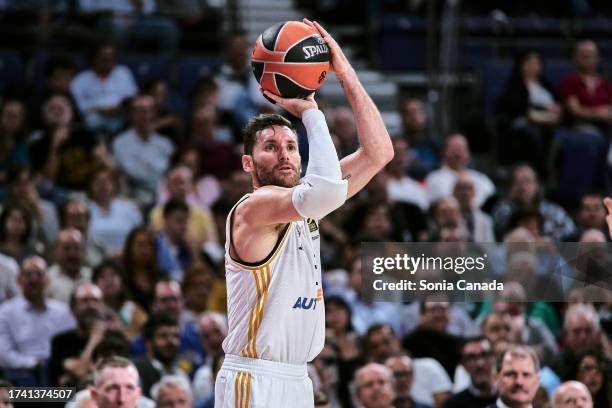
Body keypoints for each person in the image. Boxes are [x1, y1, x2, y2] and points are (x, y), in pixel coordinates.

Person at [215, 19, 394, 408]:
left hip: (298, 377)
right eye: (270, 146)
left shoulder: (306, 201)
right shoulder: (254, 209)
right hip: (254, 377)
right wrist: (309, 110)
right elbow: (325, 192)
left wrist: (344, 72)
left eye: (292, 146)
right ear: (248, 163)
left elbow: (380, 153)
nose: (284, 154)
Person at [0, 256, 75, 385]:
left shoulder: (64, 312)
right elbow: (4, 356)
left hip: (59, 375)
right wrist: (35, 363)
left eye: (39, 274)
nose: (34, 279)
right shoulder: (6, 312)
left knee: (70, 392)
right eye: (28, 274)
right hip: (21, 377)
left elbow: (71, 348)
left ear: (48, 280)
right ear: (18, 280)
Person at [112, 94, 174, 205]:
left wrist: (145, 166)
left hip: (161, 195)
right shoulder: (120, 142)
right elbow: (132, 172)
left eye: (149, 110)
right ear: (132, 114)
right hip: (133, 194)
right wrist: (152, 168)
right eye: (140, 111)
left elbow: (165, 171)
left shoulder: (165, 144)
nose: (145, 115)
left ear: (154, 113)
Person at [441, 337, 497, 408]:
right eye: (471, 358)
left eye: (485, 355)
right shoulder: (453, 404)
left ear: (495, 358)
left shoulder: (510, 398)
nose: (480, 364)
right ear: (463, 364)